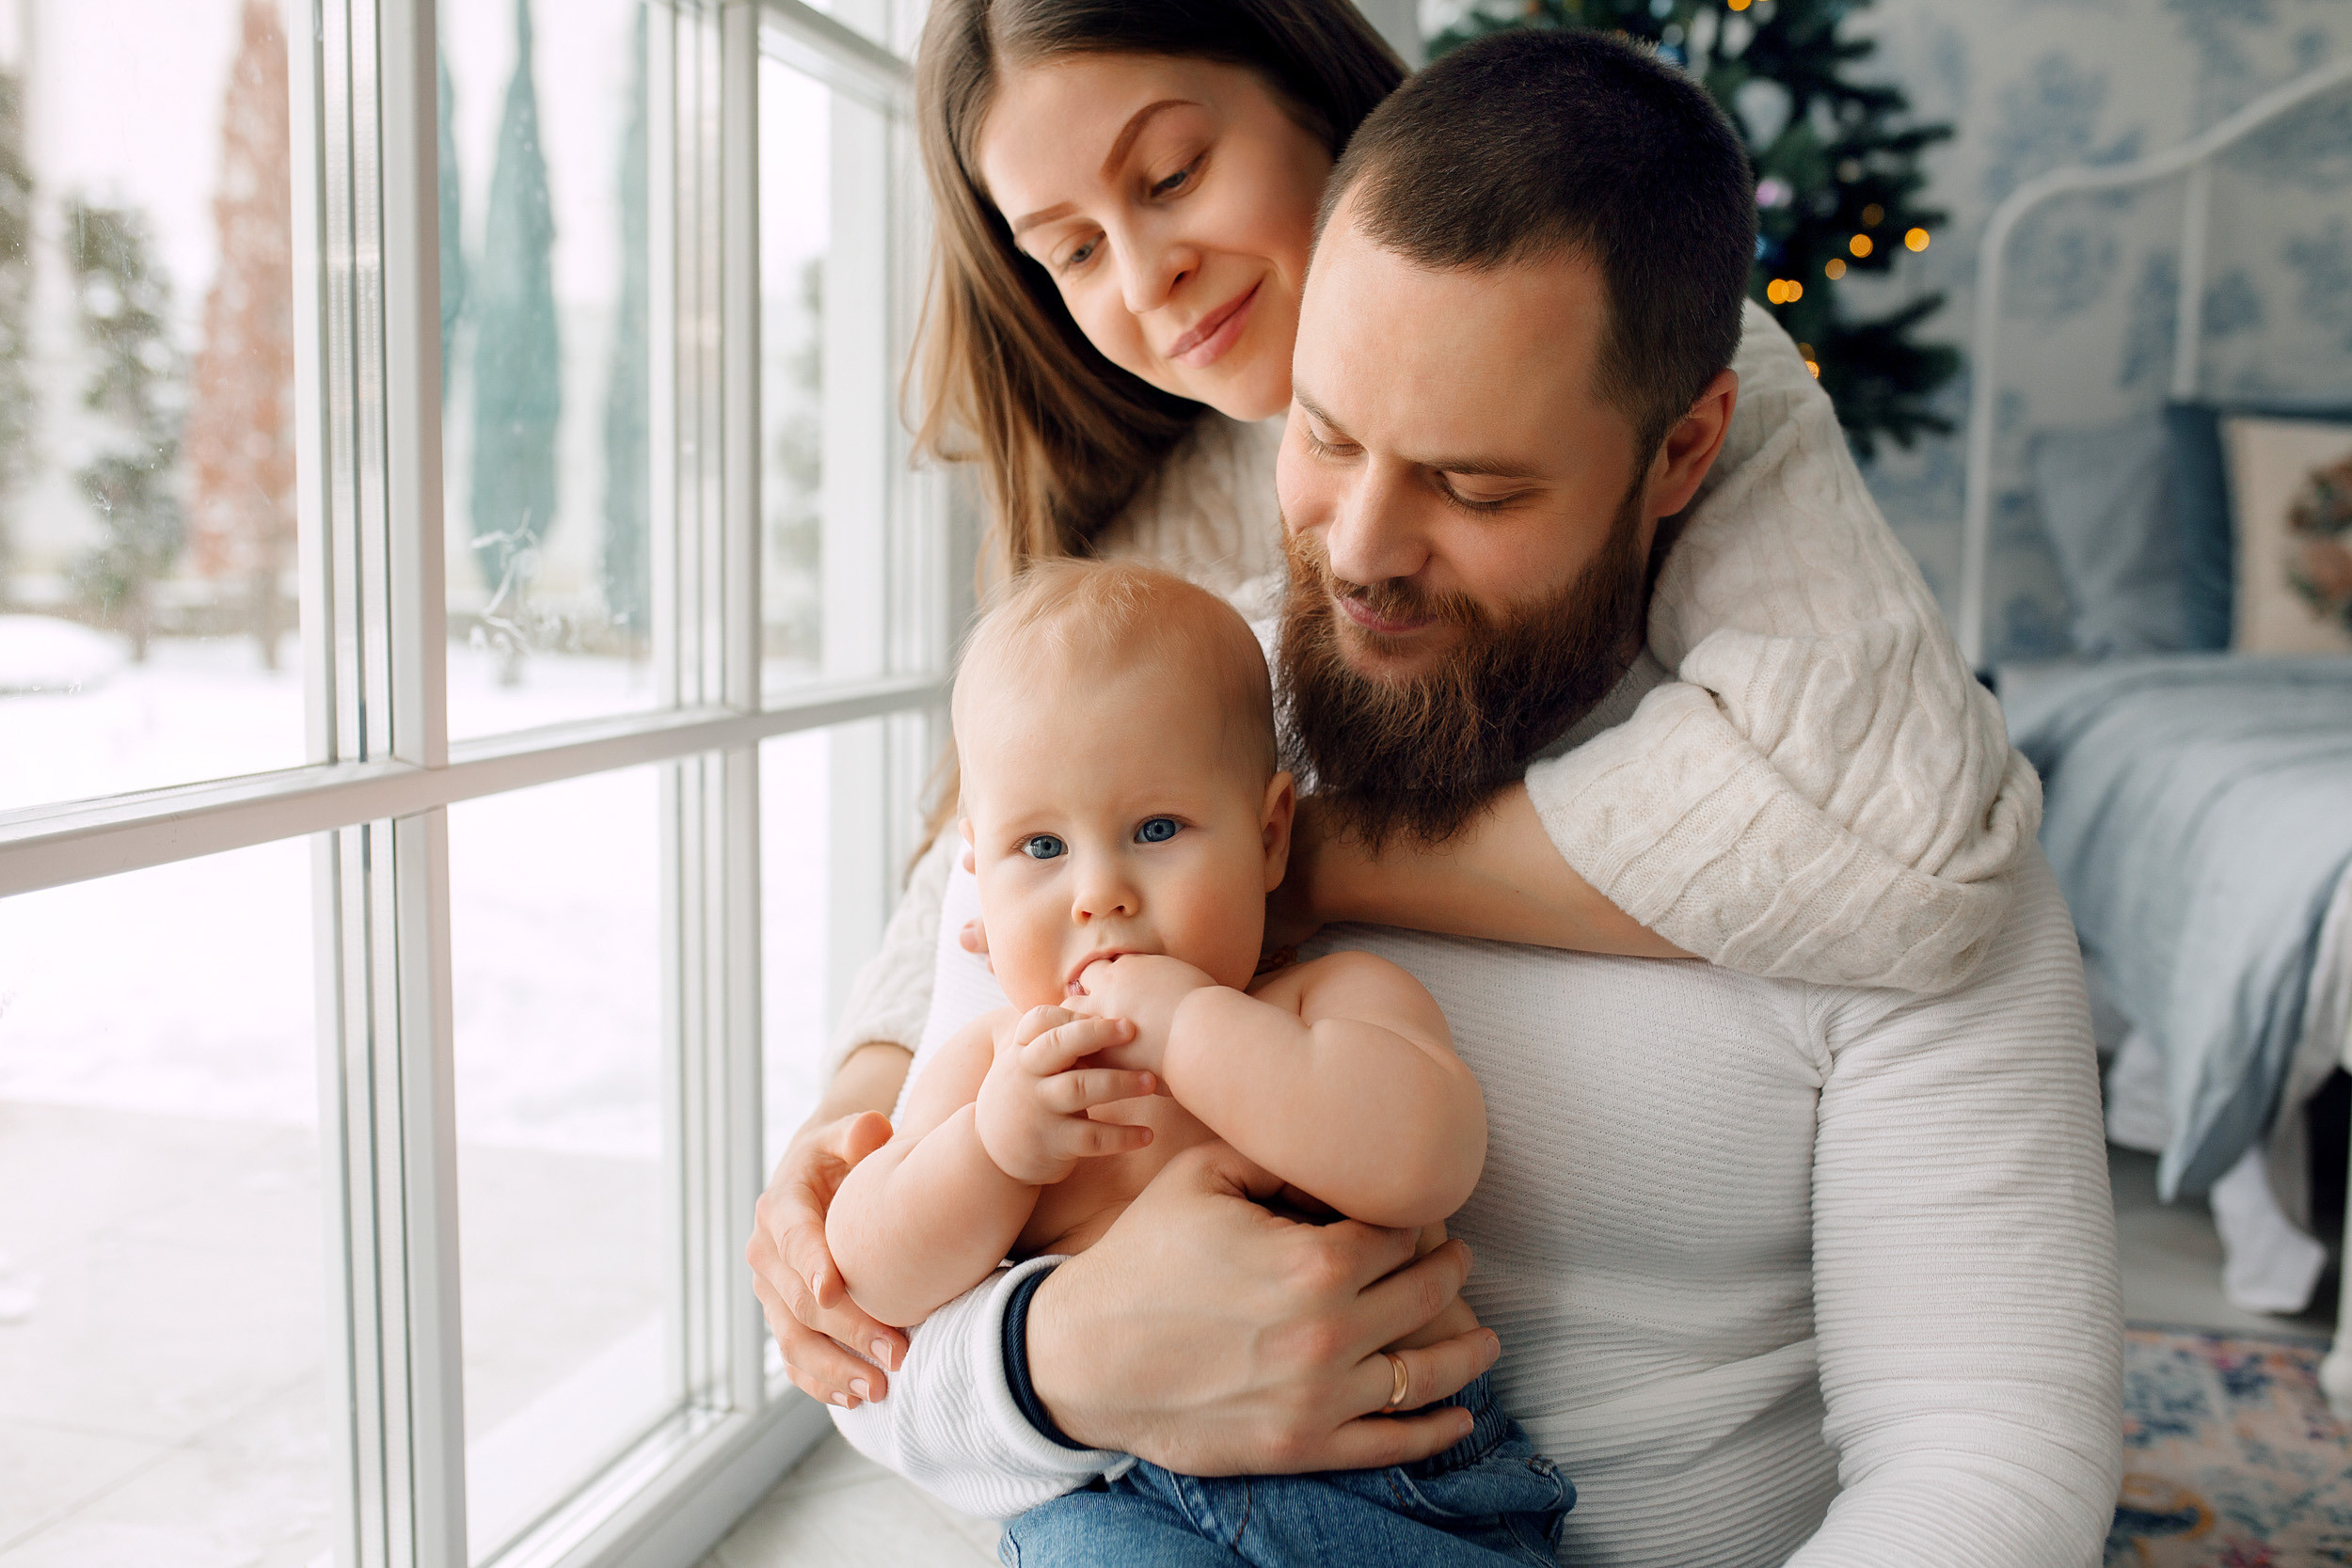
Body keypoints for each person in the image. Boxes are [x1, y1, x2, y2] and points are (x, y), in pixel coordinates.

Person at [772, 29, 2125, 1566]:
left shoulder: (1878, 823)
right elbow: (867, 1355)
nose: (1357, 549)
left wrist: (1330, 866)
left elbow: (1989, 1456)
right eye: (1325, 435)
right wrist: (1049, 1352)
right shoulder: (1162, 761)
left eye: (1473, 486)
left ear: (1682, 448)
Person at [828, 559, 1569, 1564]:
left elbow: (1425, 1160)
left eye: (1157, 828)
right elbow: (873, 1271)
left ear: (1268, 837)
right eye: (1040, 848)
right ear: (975, 874)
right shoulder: (992, 1066)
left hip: (1402, 1500)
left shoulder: (1321, 1000)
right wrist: (995, 1148)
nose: (1099, 893)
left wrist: (1189, 1029)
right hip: (1121, 1503)